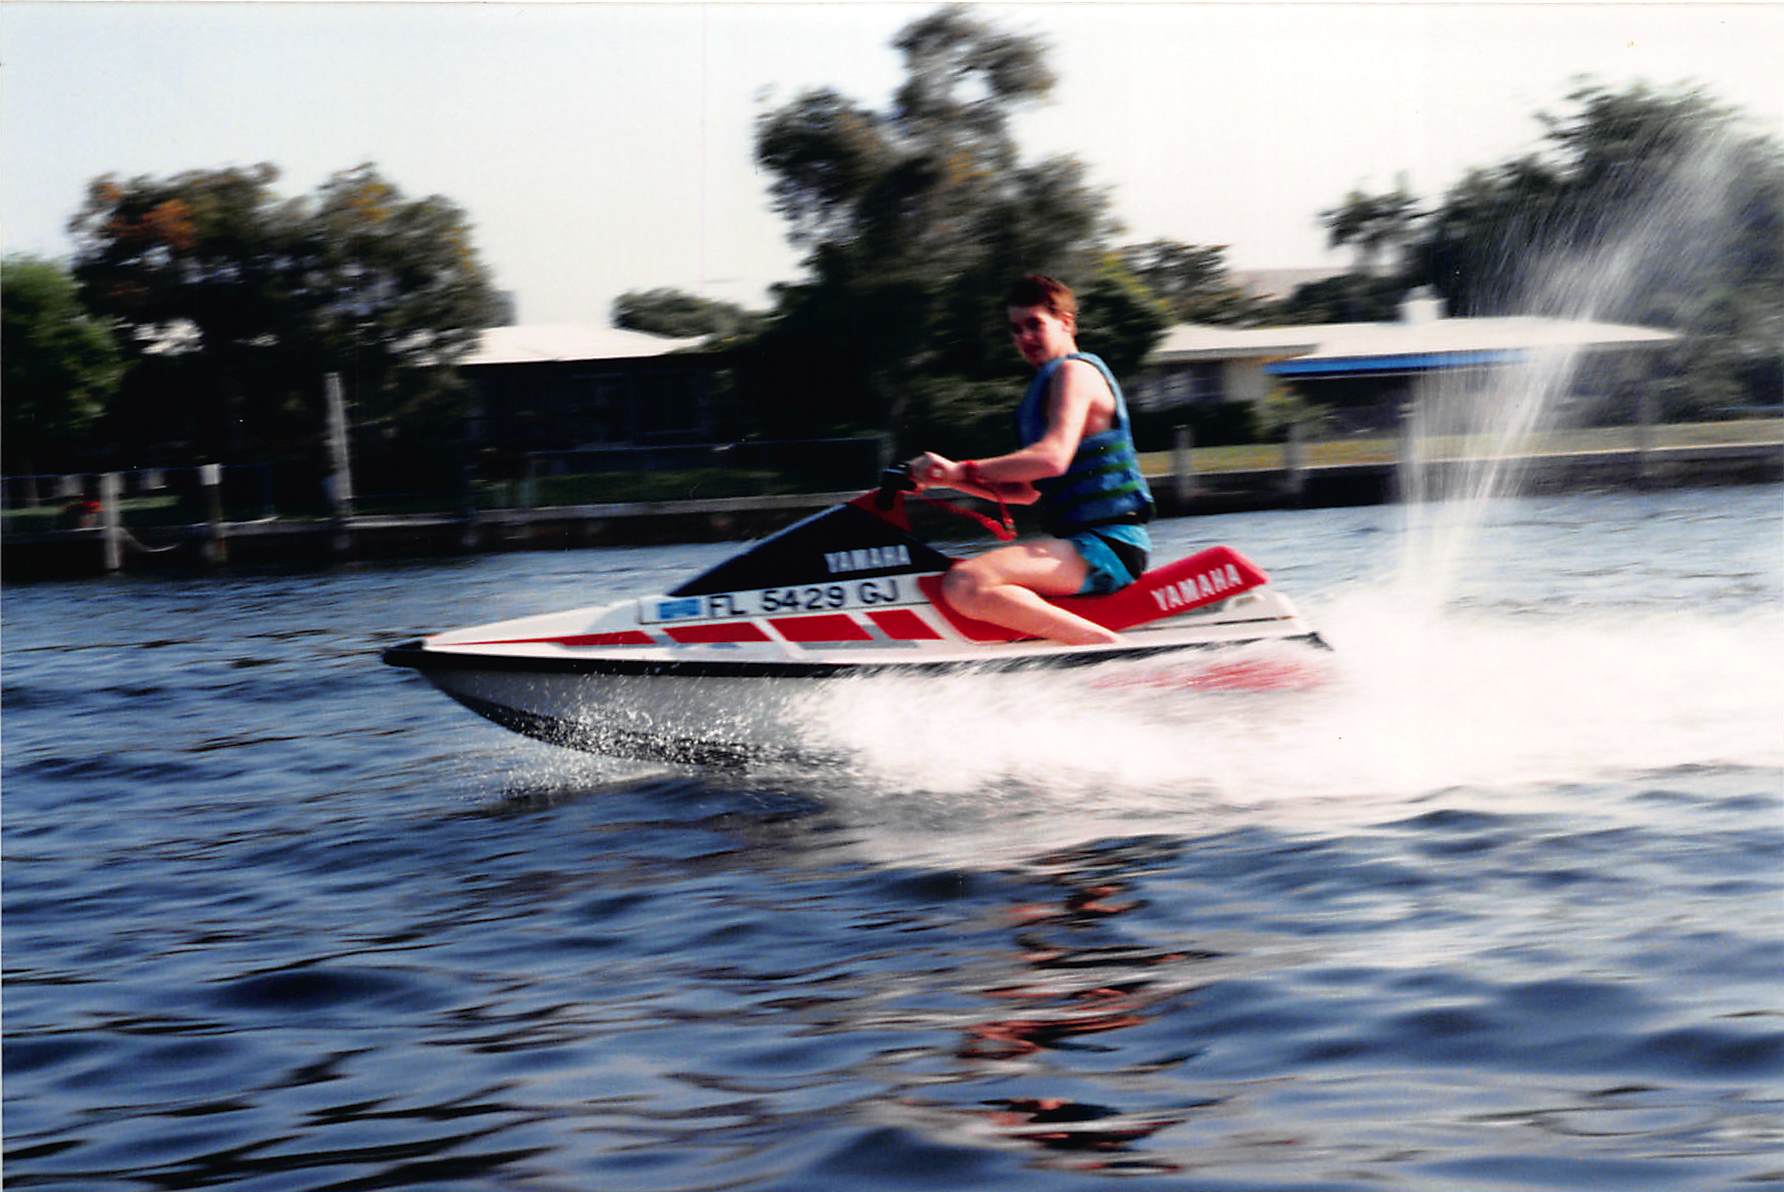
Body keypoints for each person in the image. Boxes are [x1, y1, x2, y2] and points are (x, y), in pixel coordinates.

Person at [909, 274, 1155, 645]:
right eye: (1015, 329)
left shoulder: (1075, 373)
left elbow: (1052, 459)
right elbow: (1024, 492)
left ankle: (1104, 649)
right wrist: (946, 479)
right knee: (960, 578)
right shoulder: (1049, 386)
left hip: (1109, 544)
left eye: (1034, 325)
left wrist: (962, 469)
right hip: (1087, 543)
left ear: (1065, 323)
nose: (1024, 337)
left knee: (965, 582)